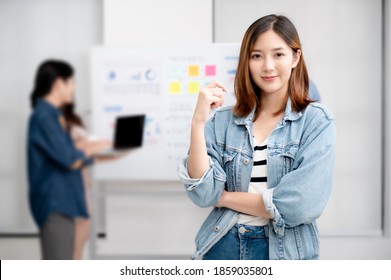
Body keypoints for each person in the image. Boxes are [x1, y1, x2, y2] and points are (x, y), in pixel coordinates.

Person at [178, 14, 335, 260]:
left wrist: (226, 197)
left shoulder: (316, 121)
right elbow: (204, 193)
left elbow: (300, 204)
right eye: (257, 56)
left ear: (295, 57)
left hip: (285, 251)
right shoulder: (222, 121)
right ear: (247, 61)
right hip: (223, 245)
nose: (268, 66)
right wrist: (198, 122)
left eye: (278, 54)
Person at [27, 59, 110, 259]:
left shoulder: (53, 116)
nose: (73, 89)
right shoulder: (44, 117)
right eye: (71, 83)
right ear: (58, 83)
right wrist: (100, 146)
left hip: (65, 203)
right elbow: (69, 159)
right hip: (56, 206)